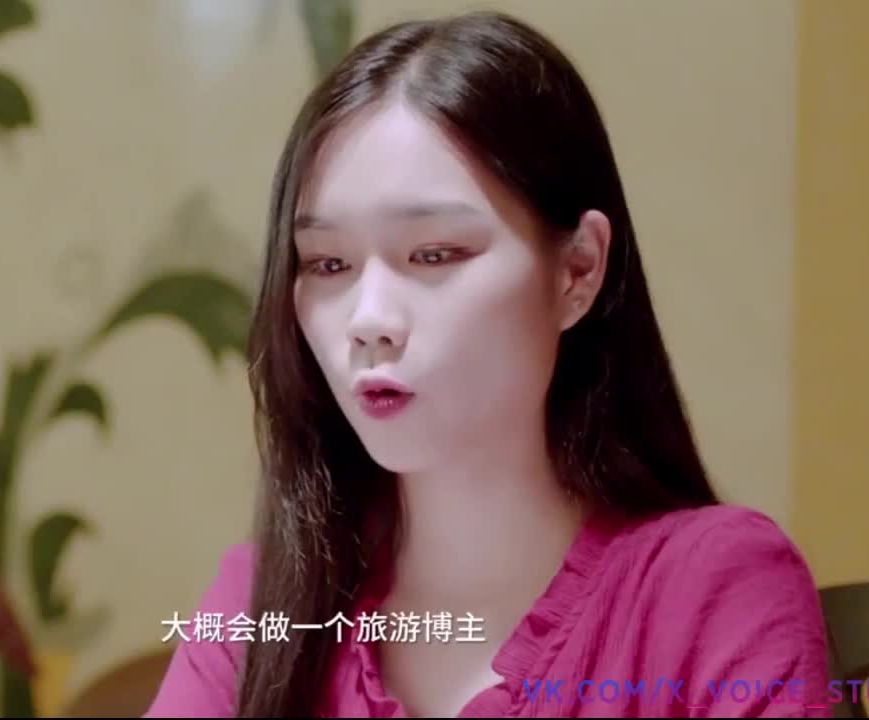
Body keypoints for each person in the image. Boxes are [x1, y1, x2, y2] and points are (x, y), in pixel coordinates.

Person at [146, 10, 830, 719]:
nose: (369, 319)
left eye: (434, 254)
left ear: (578, 269)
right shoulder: (264, 606)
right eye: (328, 263)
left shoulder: (711, 589)